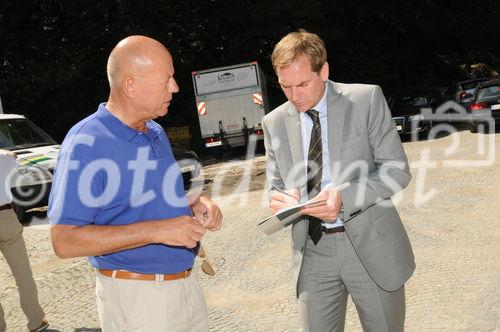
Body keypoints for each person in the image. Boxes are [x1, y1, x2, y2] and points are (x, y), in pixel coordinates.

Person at [48, 35, 222, 331]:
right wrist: (157, 231)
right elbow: (64, 241)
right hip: (139, 302)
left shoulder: (154, 130)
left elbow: (158, 196)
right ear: (130, 86)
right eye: (166, 79)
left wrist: (194, 202)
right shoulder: (86, 143)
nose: (175, 88)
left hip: (186, 288)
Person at [262, 30, 415, 331]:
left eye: (303, 84)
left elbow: (396, 170)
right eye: (285, 86)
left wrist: (344, 197)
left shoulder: (365, 99)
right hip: (312, 251)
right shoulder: (274, 122)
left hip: (371, 247)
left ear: (325, 70)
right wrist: (279, 198)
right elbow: (276, 183)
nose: (295, 96)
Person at [0, 152, 49, 332]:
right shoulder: (3, 157)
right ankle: (36, 321)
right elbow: (15, 162)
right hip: (5, 216)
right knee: (23, 274)